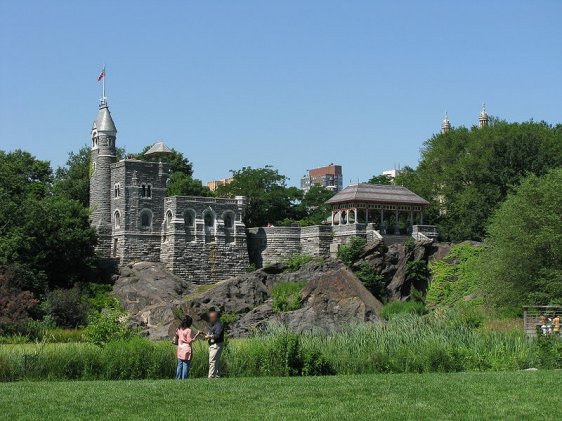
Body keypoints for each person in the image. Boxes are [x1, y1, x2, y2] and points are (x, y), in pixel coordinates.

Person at [204, 310, 224, 378]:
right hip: (213, 345)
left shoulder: (218, 325)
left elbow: (217, 335)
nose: (210, 318)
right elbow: (213, 334)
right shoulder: (214, 325)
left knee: (212, 361)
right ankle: (216, 376)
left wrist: (209, 336)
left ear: (216, 317)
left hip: (216, 345)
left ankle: (211, 377)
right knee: (216, 362)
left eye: (211, 317)